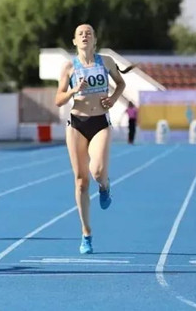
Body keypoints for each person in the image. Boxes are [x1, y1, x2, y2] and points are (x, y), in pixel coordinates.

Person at [55, 23, 135, 254]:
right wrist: (73, 90)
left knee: (98, 171)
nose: (84, 36)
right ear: (74, 41)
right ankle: (86, 233)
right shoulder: (69, 67)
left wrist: (112, 98)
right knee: (81, 181)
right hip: (77, 124)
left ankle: (105, 185)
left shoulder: (106, 62)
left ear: (95, 39)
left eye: (88, 33)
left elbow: (121, 83)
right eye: (80, 33)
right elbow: (58, 99)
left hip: (100, 122)